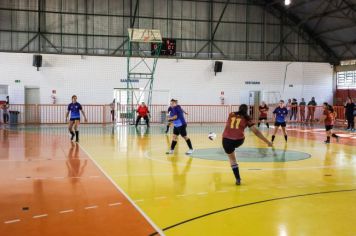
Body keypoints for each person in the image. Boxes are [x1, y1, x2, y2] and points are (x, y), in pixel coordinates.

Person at [222, 104, 272, 185]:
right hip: (239, 140)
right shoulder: (246, 118)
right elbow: (256, 132)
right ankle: (238, 178)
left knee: (232, 160)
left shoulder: (231, 114)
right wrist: (267, 142)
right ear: (246, 110)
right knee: (240, 137)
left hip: (226, 140)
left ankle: (238, 178)